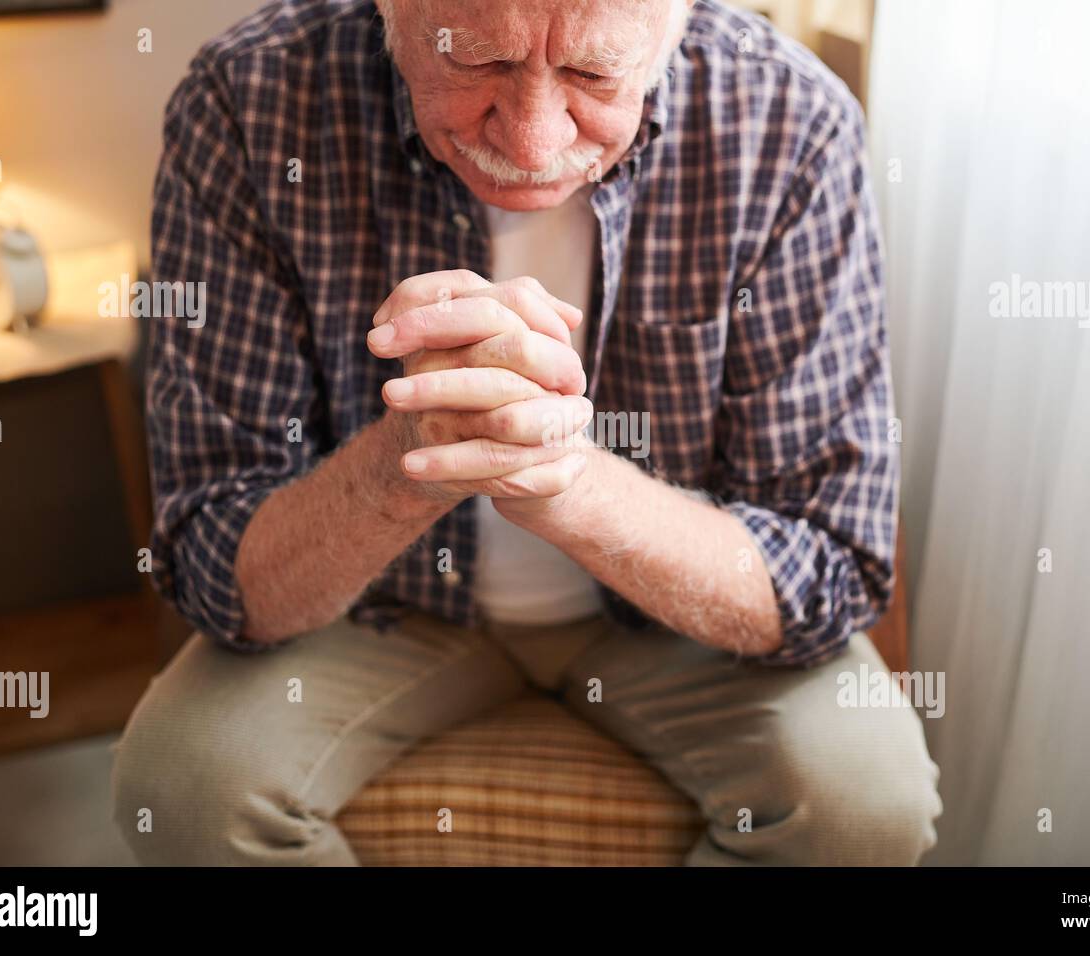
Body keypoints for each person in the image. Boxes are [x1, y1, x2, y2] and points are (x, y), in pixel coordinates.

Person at [112, 0, 941, 866]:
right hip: (382, 612)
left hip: (668, 625)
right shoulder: (246, 99)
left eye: (592, 75)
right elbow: (214, 558)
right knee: (183, 787)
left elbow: (831, 565)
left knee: (863, 804)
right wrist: (408, 463)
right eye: (474, 63)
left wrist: (568, 484)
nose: (533, 143)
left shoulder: (791, 120)